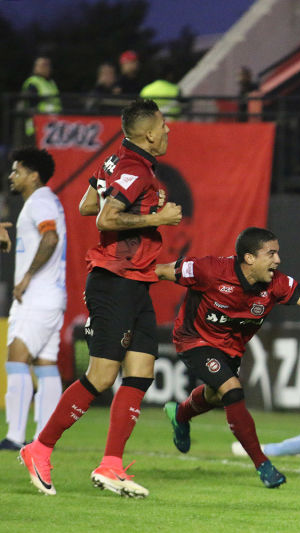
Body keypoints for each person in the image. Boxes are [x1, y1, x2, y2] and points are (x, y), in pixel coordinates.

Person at [19, 99, 183, 498]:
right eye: (163, 125)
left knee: (142, 370)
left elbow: (87, 203)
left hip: (137, 280)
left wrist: (140, 212)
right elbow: (104, 217)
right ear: (147, 132)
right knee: (102, 376)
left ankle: (110, 464)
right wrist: (156, 219)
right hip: (114, 281)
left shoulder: (117, 161)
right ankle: (39, 448)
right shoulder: (132, 168)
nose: (167, 131)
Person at [156, 227, 300, 489]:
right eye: (271, 254)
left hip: (231, 349)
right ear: (249, 258)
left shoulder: (277, 284)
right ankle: (262, 464)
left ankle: (181, 414)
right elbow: (159, 271)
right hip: (194, 339)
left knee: (215, 395)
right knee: (232, 390)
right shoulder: (208, 270)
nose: (278, 260)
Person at [1, 148, 66, 452]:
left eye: (17, 170)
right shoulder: (48, 200)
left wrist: (26, 277)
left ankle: (14, 437)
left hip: (36, 297)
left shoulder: (38, 201)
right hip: (53, 296)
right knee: (45, 365)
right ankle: (42, 439)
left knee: (16, 360)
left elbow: (50, 238)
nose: (11, 176)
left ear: (33, 174)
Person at [20, 56, 62, 138]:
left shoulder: (51, 83)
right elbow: (30, 105)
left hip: (52, 127)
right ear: (36, 67)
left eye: (48, 65)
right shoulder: (33, 82)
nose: (46, 68)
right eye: (43, 65)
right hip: (37, 127)